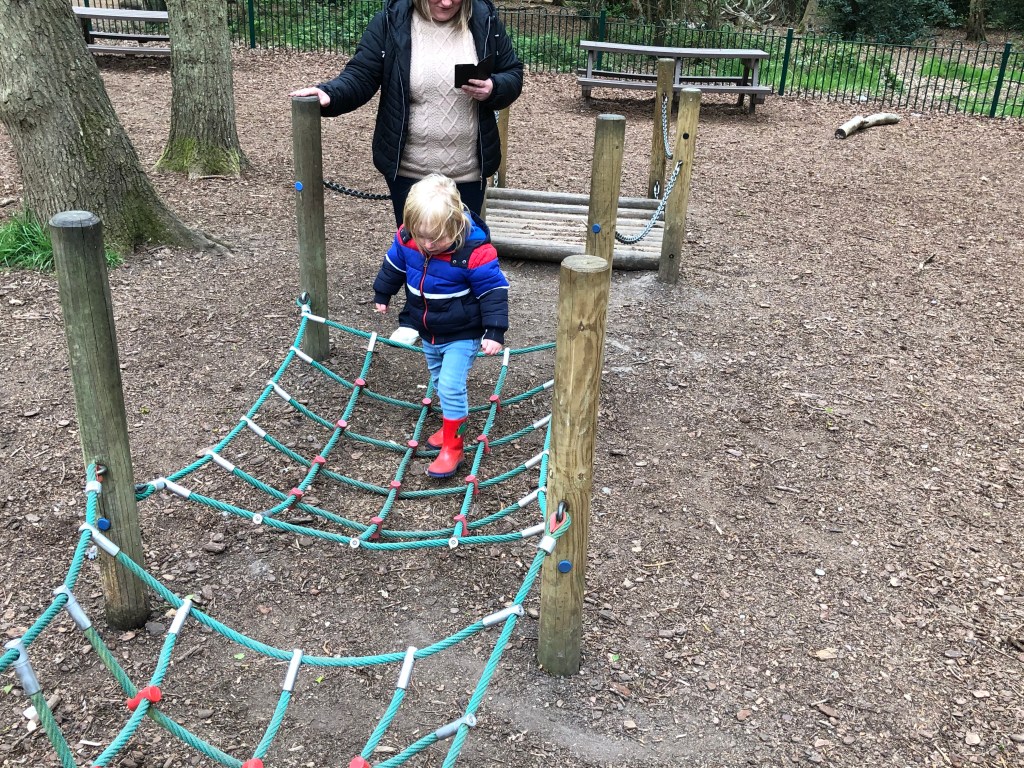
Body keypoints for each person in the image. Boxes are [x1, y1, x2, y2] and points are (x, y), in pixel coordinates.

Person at [289, 0, 524, 225]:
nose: (446, 3)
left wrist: (495, 87)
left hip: (468, 172)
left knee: (462, 255)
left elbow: (512, 72)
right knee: (417, 252)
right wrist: (330, 94)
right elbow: (361, 75)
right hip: (410, 171)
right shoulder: (391, 23)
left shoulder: (485, 22)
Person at [372, 174, 508, 479]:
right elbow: (394, 265)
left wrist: (495, 330)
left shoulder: (473, 252)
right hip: (429, 330)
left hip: (463, 331)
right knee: (438, 379)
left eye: (437, 238)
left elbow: (493, 290)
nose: (429, 244)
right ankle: (450, 424)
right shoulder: (409, 239)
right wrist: (383, 292)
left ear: (456, 225)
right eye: (422, 236)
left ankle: (454, 446)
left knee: (449, 384)